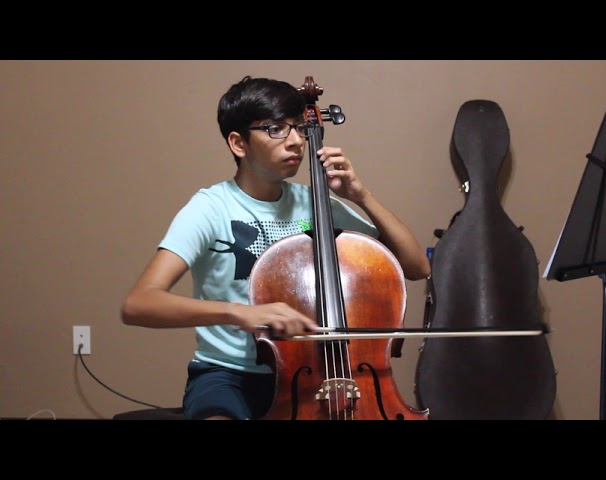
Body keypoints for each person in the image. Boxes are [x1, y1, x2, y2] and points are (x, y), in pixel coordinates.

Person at [121, 76, 431, 420]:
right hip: (229, 376)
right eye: (276, 129)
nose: (296, 141)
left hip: (319, 372)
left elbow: (416, 267)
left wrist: (361, 196)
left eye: (298, 127)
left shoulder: (316, 204)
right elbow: (139, 304)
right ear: (239, 143)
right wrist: (239, 313)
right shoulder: (211, 208)